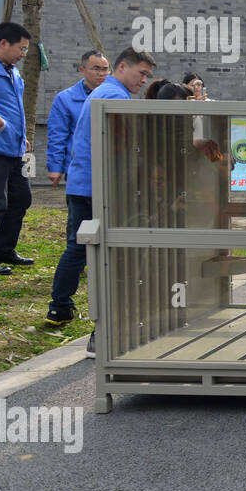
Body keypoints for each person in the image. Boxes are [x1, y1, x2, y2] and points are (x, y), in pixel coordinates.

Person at [47, 48, 157, 360]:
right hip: (100, 188)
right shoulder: (115, 98)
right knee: (104, 255)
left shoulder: (105, 92)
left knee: (80, 248)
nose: (143, 80)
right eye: (141, 74)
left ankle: (61, 307)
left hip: (85, 184)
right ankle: (102, 331)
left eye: (147, 76)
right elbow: (126, 149)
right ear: (123, 67)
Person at [0, 22, 34, 276]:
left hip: (13, 148)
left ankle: (3, 249)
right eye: (21, 48)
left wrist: (22, 136)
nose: (24, 54)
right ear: (3, 43)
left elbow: (15, 108)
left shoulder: (12, 71)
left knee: (21, 198)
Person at [47, 50, 110, 187]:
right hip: (78, 167)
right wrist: (55, 167)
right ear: (82, 70)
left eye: (105, 69)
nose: (101, 74)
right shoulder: (65, 99)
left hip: (109, 165)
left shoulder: (114, 96)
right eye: (96, 69)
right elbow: (57, 135)